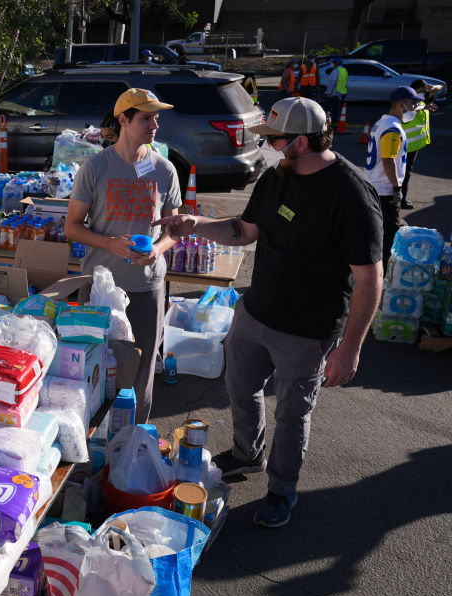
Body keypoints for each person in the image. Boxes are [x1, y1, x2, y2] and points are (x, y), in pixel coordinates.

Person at [155, 98, 383, 528]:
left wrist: (350, 348)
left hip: (308, 329)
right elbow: (245, 230)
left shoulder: (351, 194)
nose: (271, 147)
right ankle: (247, 453)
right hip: (256, 311)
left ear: (301, 141)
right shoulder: (276, 177)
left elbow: (371, 278)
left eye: (276, 139)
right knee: (240, 386)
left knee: (292, 413)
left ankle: (282, 491)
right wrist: (195, 224)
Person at [65, 88, 182, 425]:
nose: (155, 124)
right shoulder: (95, 166)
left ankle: (134, 446)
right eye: (146, 117)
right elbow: (72, 227)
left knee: (141, 376)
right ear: (124, 120)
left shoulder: (164, 169)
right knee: (93, 373)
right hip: (100, 288)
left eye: (157, 117)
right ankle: (92, 452)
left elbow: (173, 229)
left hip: (146, 288)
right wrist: (109, 243)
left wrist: (158, 250)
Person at [365, 85, 422, 264]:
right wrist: (397, 187)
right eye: (412, 104)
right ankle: (382, 275)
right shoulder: (392, 128)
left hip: (374, 186)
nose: (414, 108)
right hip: (384, 190)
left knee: (377, 232)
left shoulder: (383, 121)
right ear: (401, 105)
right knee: (389, 234)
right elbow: (388, 161)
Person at [400, 78, 442, 209]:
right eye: (424, 88)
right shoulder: (409, 99)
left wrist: (428, 87)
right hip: (406, 144)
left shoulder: (422, 97)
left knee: (406, 172)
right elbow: (411, 111)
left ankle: (400, 198)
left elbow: (439, 87)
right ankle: (401, 200)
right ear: (419, 89)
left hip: (413, 144)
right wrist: (425, 105)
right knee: (404, 173)